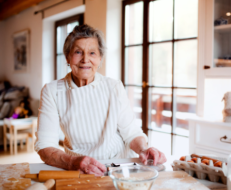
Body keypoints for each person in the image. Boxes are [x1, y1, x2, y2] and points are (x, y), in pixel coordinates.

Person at [35, 24, 166, 176]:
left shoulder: (113, 86)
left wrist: (144, 150)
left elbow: (131, 132)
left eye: (92, 53)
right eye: (78, 52)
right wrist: (72, 162)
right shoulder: (52, 91)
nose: (85, 59)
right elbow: (45, 145)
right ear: (67, 57)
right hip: (77, 168)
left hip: (118, 166)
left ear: (100, 58)